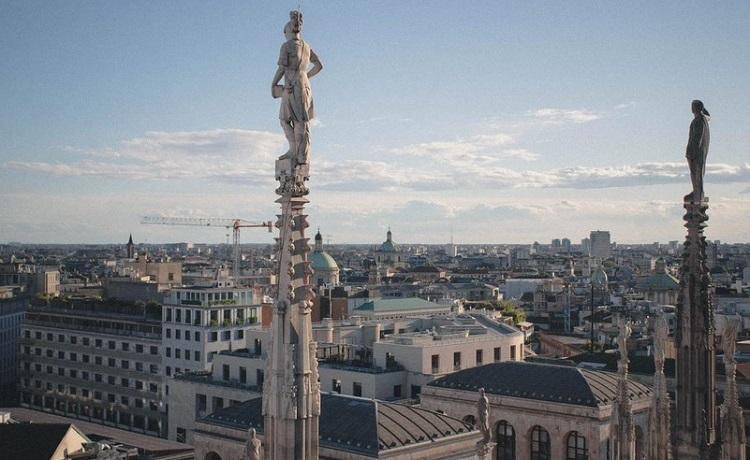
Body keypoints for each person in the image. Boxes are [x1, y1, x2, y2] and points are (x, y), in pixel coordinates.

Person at [272, 10, 323, 176]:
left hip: (292, 85)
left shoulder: (287, 46)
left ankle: (294, 150)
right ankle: (300, 154)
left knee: (284, 119)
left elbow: (282, 68)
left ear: (287, 31)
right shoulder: (307, 46)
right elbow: (319, 66)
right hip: (305, 86)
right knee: (301, 121)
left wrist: (273, 83)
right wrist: (306, 77)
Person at [686, 99, 710, 200]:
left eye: (693, 106)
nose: (692, 108)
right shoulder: (703, 118)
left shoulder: (699, 121)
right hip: (698, 151)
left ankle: (698, 193)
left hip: (696, 152)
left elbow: (697, 138)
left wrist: (692, 152)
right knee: (697, 172)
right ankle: (697, 191)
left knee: (696, 172)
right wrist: (703, 109)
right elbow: (709, 116)